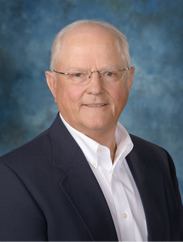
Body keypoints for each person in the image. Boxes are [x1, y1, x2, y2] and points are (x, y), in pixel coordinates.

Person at [0, 20, 182, 241]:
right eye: (77, 74)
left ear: (129, 79)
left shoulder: (159, 161)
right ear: (53, 84)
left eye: (109, 73)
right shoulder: (13, 177)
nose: (95, 88)